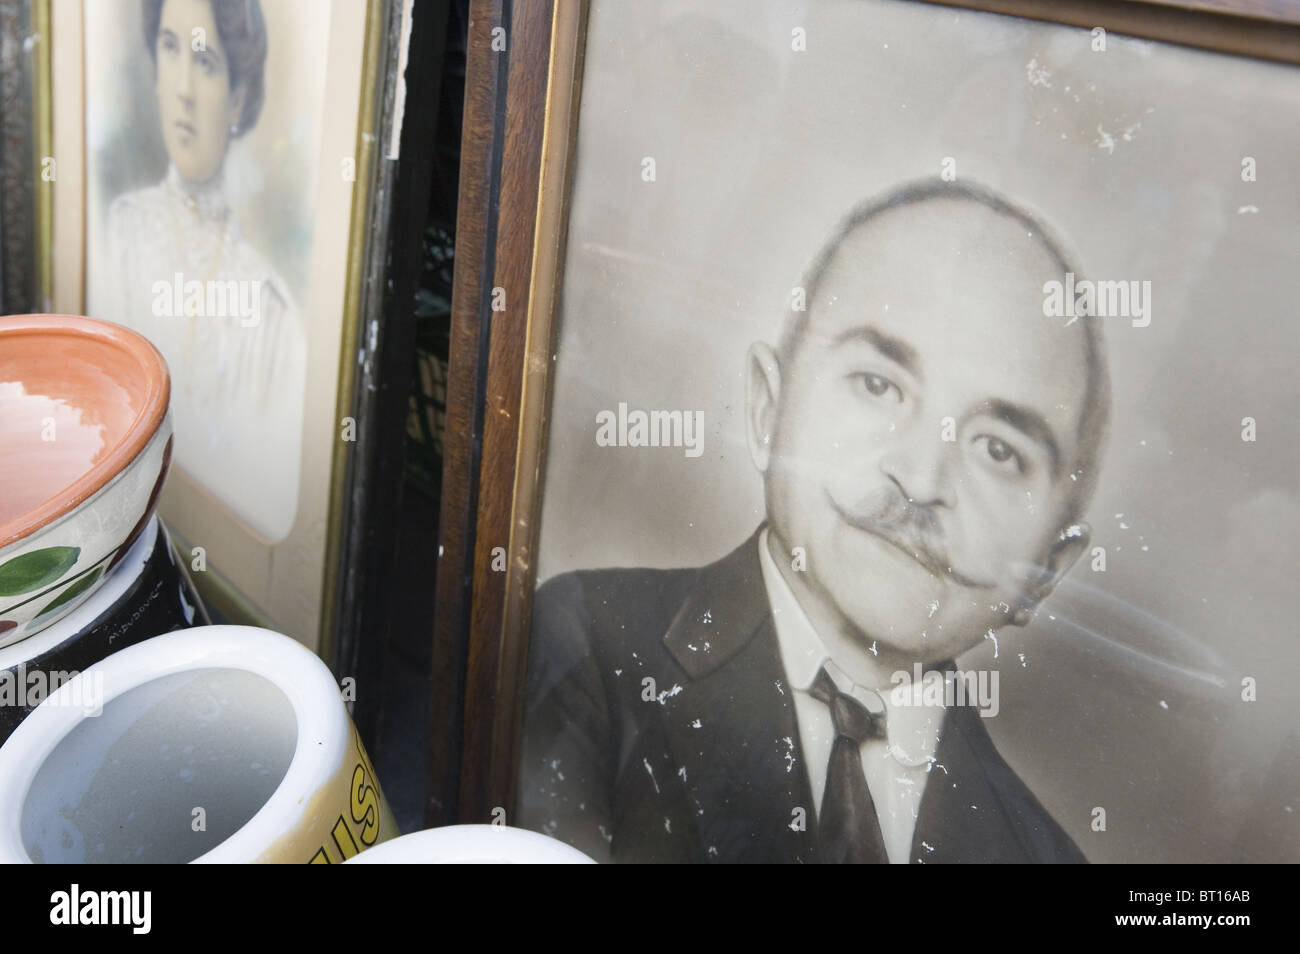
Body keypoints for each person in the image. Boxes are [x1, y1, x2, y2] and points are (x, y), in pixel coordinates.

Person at [517, 179, 1111, 863]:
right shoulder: (590, 646)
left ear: (1045, 574)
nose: (920, 480)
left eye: (998, 451)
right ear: (769, 409)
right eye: (879, 385)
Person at [104, 0, 304, 542]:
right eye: (171, 49)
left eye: (207, 61)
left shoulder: (271, 309)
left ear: (238, 99)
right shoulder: (122, 235)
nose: (185, 89)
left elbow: (267, 503)